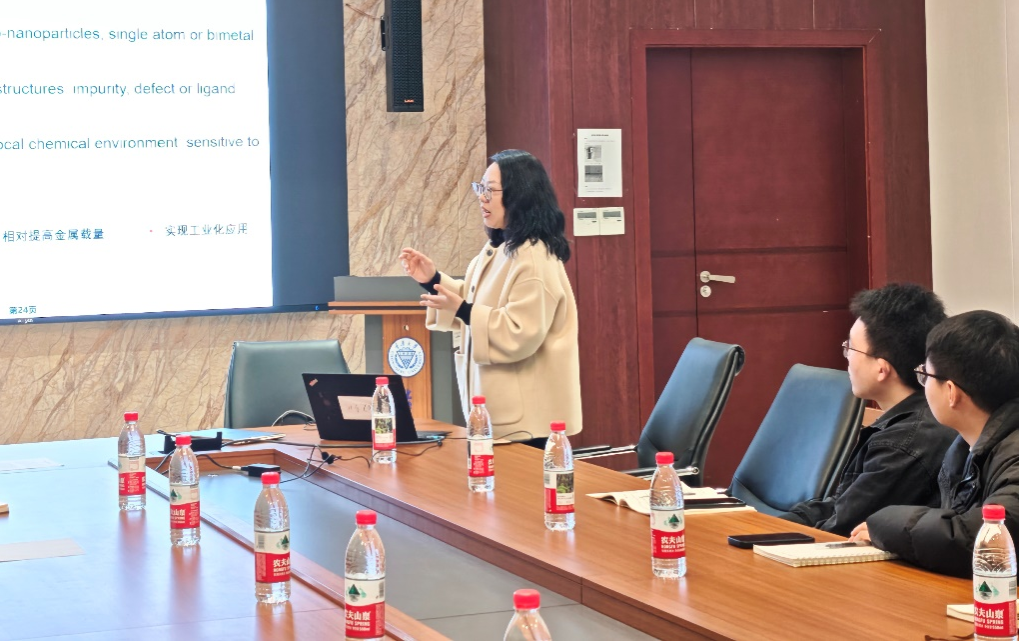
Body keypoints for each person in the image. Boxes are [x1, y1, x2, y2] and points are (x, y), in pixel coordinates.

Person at [398, 150, 582, 441]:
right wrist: (433, 280)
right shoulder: (500, 249)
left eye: (490, 190)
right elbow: (476, 300)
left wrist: (463, 310)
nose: (481, 198)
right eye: (480, 188)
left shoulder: (534, 258)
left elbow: (519, 332)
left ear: (519, 195)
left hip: (528, 423)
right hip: (498, 412)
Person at [850, 311, 1019, 577]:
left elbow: (982, 538)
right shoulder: (965, 447)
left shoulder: (1014, 454)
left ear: (951, 392)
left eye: (925, 375)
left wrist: (884, 523)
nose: (923, 385)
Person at [781, 283, 956, 536]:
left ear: (881, 369)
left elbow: (840, 530)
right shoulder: (906, 424)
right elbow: (841, 505)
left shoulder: (904, 444)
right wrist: (773, 523)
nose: (847, 357)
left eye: (851, 348)